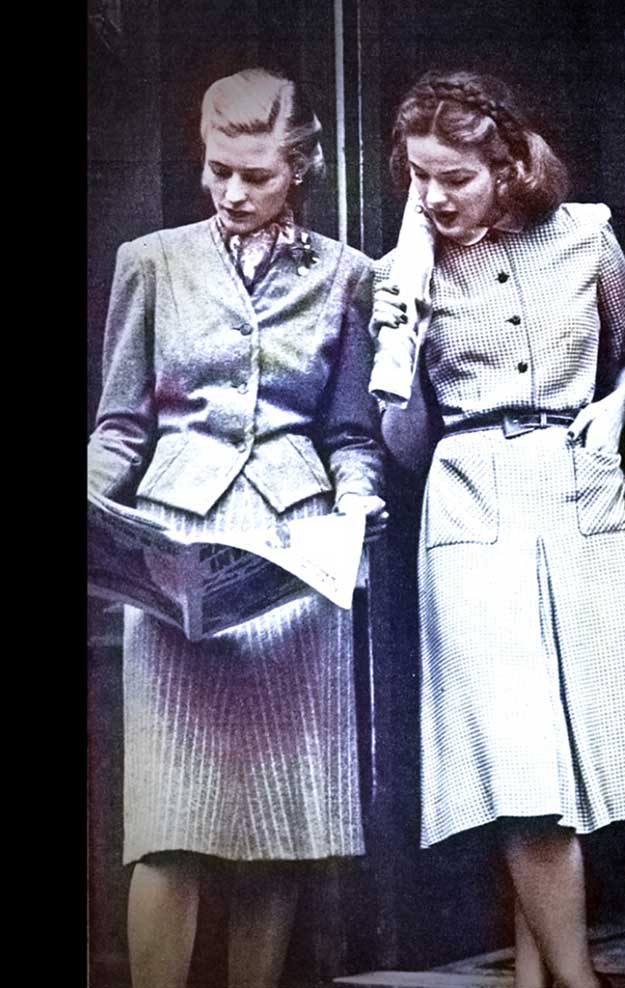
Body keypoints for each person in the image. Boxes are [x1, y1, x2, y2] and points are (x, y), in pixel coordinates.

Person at [87, 68, 386, 988]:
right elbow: (120, 425)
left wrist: (357, 503)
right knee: (167, 826)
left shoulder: (349, 277)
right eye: (218, 171)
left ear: (299, 167)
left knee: (276, 830)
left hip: (297, 563)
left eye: (256, 174)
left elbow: (350, 433)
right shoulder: (153, 261)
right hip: (172, 556)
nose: (233, 193)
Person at [370, 70, 625, 988]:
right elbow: (405, 446)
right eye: (419, 177)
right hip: (470, 500)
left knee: (569, 765)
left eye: (454, 176)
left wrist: (616, 410)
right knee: (521, 767)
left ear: (508, 163)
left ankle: (538, 979)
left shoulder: (588, 237)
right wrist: (400, 339)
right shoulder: (405, 273)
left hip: (577, 492)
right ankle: (577, 982)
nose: (433, 197)